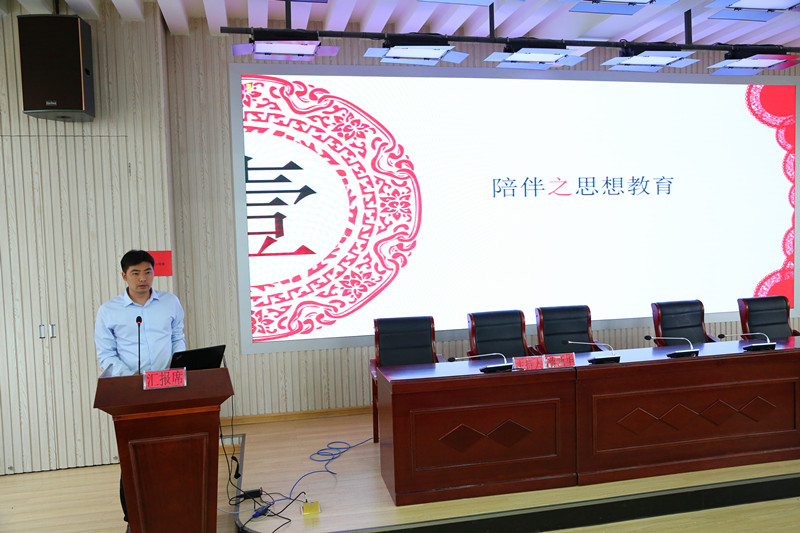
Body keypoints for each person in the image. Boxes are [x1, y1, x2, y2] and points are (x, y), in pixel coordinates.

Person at [94, 249, 186, 531]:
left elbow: (177, 337)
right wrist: (130, 377)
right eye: (135, 273)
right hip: (131, 392)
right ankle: (133, 519)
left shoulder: (170, 302)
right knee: (133, 456)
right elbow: (106, 355)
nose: (143, 278)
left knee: (171, 452)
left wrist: (179, 366)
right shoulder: (109, 311)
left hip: (168, 387)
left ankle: (172, 510)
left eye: (147, 271)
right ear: (124, 276)